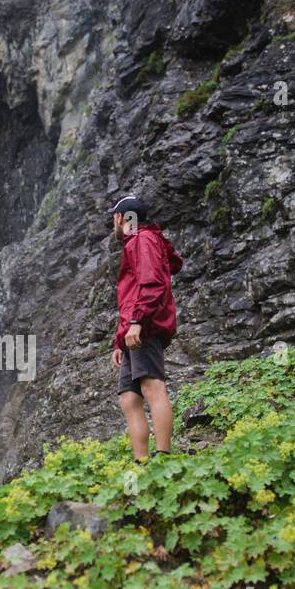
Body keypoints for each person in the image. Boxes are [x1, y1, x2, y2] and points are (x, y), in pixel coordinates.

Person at [110, 195, 183, 460]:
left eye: (113, 218)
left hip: (145, 327)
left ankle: (163, 458)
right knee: (129, 399)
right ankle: (141, 462)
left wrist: (137, 323)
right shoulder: (140, 241)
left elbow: (151, 285)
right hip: (134, 329)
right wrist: (120, 340)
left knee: (152, 386)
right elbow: (132, 295)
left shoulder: (142, 240)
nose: (113, 224)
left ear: (121, 217)